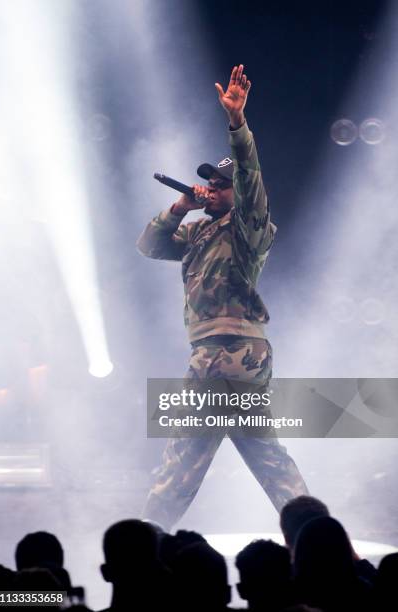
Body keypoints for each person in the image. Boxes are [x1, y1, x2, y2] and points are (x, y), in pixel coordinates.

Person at [137, 64, 308, 530]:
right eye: (208, 183)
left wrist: (238, 123)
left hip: (226, 352)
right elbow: (149, 246)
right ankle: (323, 540)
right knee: (268, 459)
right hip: (231, 357)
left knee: (179, 466)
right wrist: (179, 206)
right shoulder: (199, 232)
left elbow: (250, 177)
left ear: (236, 194)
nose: (210, 189)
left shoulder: (248, 227)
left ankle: (142, 551)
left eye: (218, 185)